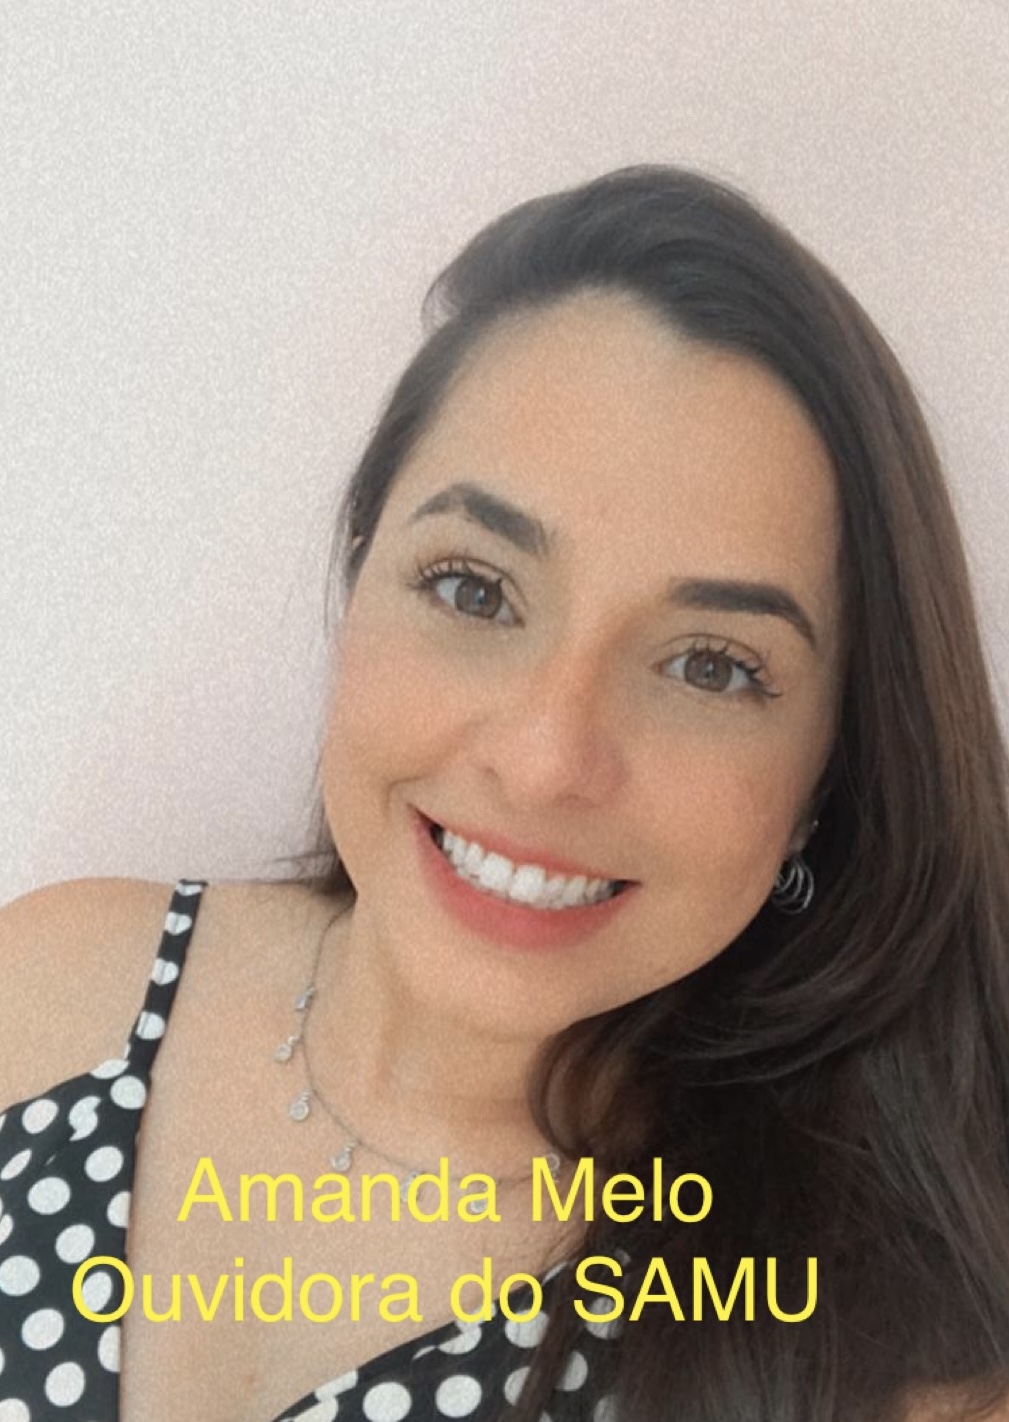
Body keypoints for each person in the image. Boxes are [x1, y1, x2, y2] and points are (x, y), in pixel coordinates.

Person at [1, 165, 1007, 1422]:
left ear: (827, 773)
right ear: (360, 570)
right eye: (473, 590)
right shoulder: (57, 989)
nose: (544, 757)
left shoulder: (896, 1373)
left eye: (710, 665)